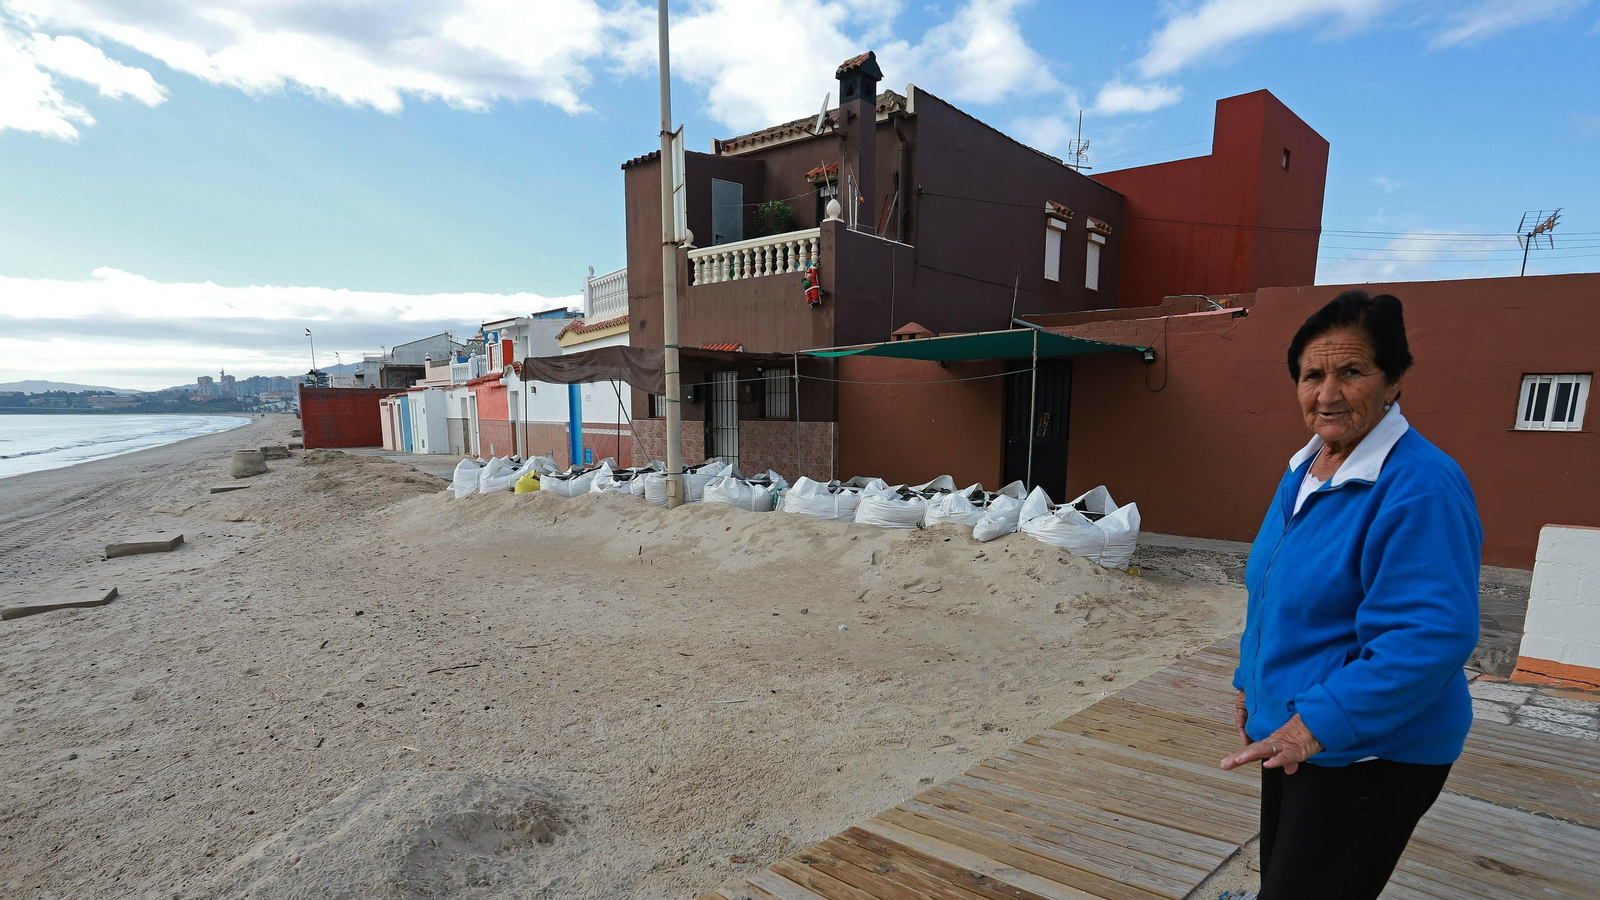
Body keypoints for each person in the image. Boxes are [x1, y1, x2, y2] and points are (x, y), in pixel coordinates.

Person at [1220, 290, 1482, 900]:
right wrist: (1249, 680)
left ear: (1393, 381)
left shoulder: (1420, 484)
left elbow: (1430, 634)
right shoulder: (1307, 468)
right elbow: (1272, 588)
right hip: (1299, 733)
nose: (1327, 394)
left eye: (1352, 372)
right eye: (1312, 375)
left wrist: (1314, 726)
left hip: (1370, 750)